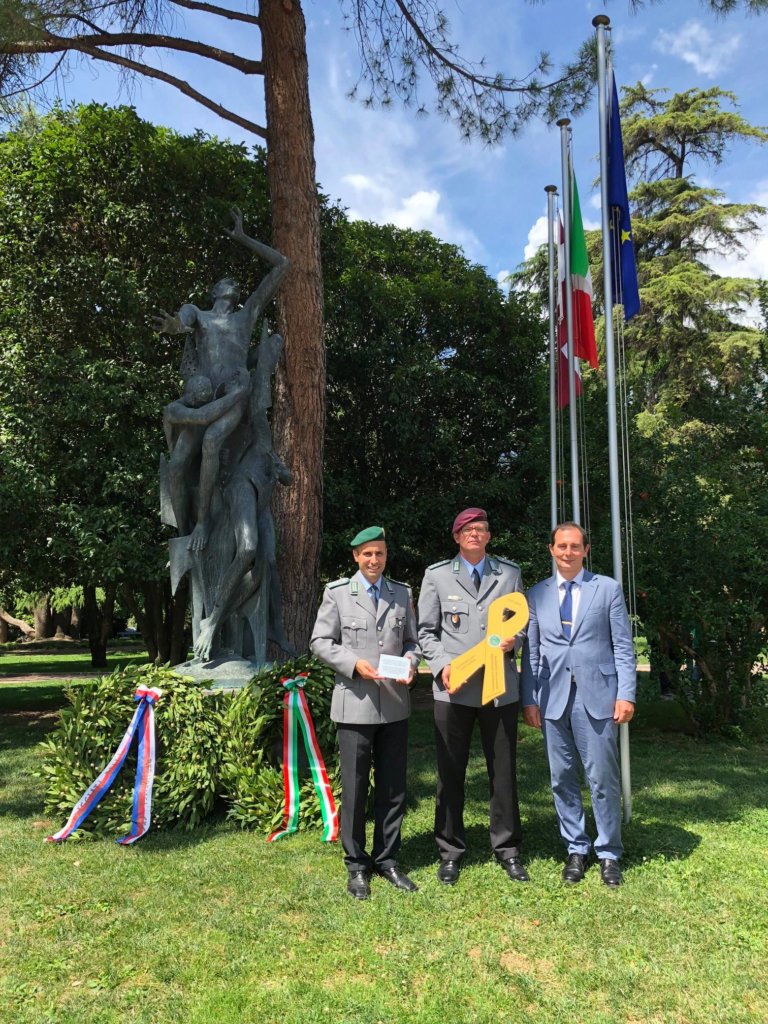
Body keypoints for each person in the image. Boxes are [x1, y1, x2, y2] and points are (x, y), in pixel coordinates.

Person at [152, 207, 289, 552]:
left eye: (236, 283)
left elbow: (282, 265)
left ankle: (202, 524)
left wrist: (243, 238)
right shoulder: (198, 314)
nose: (234, 284)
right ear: (215, 291)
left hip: (234, 398)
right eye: (226, 281)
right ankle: (186, 533)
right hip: (202, 400)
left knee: (212, 441)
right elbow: (182, 321)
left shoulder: (247, 316)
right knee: (178, 465)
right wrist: (174, 326)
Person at [521, 522, 636, 887]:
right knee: (562, 778)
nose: (568, 552)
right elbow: (531, 653)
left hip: (598, 696)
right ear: (551, 550)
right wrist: (529, 699)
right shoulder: (536, 594)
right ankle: (576, 847)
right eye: (561, 546)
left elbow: (623, 645)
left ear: (586, 550)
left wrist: (626, 693)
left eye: (575, 546)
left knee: (602, 777)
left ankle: (608, 853)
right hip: (552, 698)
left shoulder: (607, 589)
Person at [418, 508, 528, 886]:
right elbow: (426, 631)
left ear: (489, 536)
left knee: (503, 771)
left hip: (499, 690)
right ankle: (450, 850)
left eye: (481, 529)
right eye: (467, 530)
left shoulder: (508, 574)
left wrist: (515, 640)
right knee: (451, 772)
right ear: (457, 537)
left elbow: (523, 622)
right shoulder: (436, 576)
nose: (474, 534)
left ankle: (507, 848)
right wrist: (441, 665)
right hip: (454, 689)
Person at [310, 526, 420, 901]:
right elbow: (320, 642)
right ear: (356, 556)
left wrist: (410, 662)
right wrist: (354, 664)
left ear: (386, 556)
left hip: (394, 704)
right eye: (367, 554)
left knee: (393, 788)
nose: (374, 560)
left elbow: (412, 642)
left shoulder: (401, 593)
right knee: (356, 790)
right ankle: (357, 865)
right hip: (354, 704)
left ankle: (387, 859)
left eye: (380, 553)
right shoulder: (338, 593)